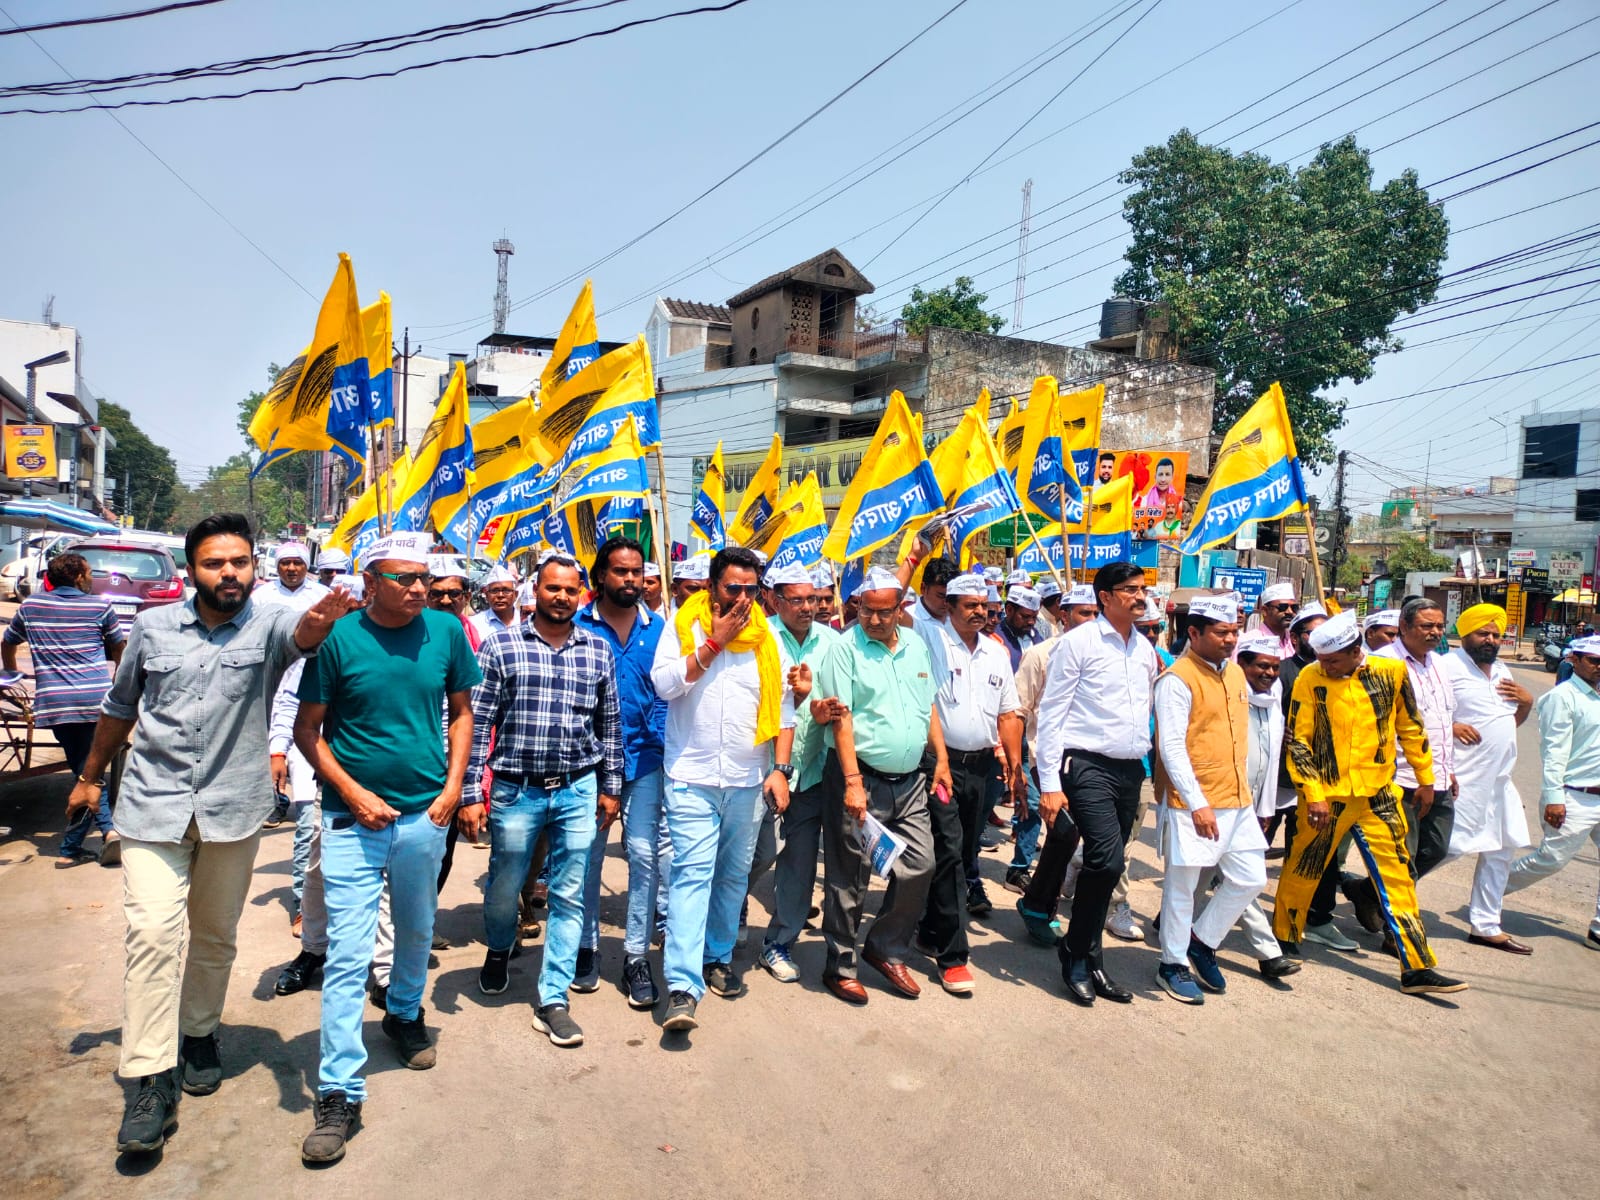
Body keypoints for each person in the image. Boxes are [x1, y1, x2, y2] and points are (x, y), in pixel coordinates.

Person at [62, 514, 352, 1156]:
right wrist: (88, 778)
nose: (229, 573)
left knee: (216, 936)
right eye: (216, 563)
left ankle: (198, 1034)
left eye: (240, 562)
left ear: (254, 567)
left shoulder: (270, 624)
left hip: (233, 810)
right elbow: (119, 706)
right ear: (191, 569)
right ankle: (150, 1078)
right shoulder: (152, 627)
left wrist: (323, 619)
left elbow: (303, 634)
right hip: (152, 806)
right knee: (152, 936)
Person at [293, 533, 480, 1164]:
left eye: (425, 577)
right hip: (352, 821)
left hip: (426, 815)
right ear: (371, 582)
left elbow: (461, 712)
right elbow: (308, 729)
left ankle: (403, 1013)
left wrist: (453, 790)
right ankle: (340, 1091)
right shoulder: (339, 639)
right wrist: (353, 793)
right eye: (405, 578)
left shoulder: (446, 633)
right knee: (348, 955)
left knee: (417, 928)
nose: (421, 588)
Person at [467, 552, 623, 1048]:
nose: (561, 597)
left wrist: (611, 787)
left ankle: (553, 997)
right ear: (535, 590)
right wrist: (470, 792)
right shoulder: (501, 646)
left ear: (581, 595)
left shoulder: (597, 650)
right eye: (553, 588)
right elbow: (478, 724)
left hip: (578, 788)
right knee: (505, 883)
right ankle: (499, 947)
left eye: (571, 590)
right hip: (516, 790)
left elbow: (610, 725)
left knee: (569, 893)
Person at [1273, 611, 1467, 996]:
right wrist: (1314, 794)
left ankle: (1417, 967)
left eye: (1332, 660)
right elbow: (1298, 741)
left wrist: (1426, 779)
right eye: (1321, 659)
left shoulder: (1390, 674)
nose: (1325, 666)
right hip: (1327, 797)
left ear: (1355, 651)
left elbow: (1410, 727)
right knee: (1304, 867)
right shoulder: (1311, 678)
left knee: (1399, 877)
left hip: (1379, 794)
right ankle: (1284, 936)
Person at [650, 546, 796, 1034]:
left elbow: (784, 710)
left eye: (752, 589)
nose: (743, 598)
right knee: (691, 876)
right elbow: (665, 685)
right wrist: (714, 643)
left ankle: (717, 957)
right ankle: (682, 986)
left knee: (733, 877)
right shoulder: (684, 625)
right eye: (734, 588)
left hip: (748, 779)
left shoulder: (767, 638)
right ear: (713, 586)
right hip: (691, 777)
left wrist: (779, 769)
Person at [806, 567, 942, 1002]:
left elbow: (927, 705)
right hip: (858, 775)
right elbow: (841, 719)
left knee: (920, 864)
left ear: (901, 609)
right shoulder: (844, 649)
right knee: (849, 876)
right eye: (867, 611)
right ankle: (840, 965)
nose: (875, 620)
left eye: (885, 612)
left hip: (910, 781)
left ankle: (884, 947)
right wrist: (852, 782)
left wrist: (939, 759)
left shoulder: (916, 646)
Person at [1035, 561, 1161, 1006]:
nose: (1140, 596)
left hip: (1130, 769)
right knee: (1105, 862)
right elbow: (1051, 713)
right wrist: (1049, 783)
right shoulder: (1078, 643)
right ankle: (1075, 953)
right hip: (1086, 764)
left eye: (1142, 588)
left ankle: (1091, 957)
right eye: (1130, 589)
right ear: (1105, 597)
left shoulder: (1143, 648)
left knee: (1110, 865)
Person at [1151, 595, 1268, 1003]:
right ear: (1194, 633)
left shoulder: (1235, 674)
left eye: (1234, 631)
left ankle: (1202, 941)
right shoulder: (1176, 680)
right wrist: (1196, 802)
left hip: (1236, 797)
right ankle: (1172, 964)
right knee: (1182, 887)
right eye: (1221, 633)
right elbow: (1171, 747)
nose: (1230, 639)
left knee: (1251, 877)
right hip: (1193, 801)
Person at [573, 537, 668, 1008]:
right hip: (590, 764)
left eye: (637, 572)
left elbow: (669, 692)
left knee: (645, 856)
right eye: (621, 571)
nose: (631, 580)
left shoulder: (660, 629)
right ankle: (585, 947)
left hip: (646, 761)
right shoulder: (577, 627)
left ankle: (635, 956)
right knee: (586, 857)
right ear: (600, 577)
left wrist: (663, 739)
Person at [917, 572, 1021, 994]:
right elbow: (927, 705)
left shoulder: (996, 653)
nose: (980, 612)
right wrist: (915, 557)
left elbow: (1009, 712)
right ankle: (953, 957)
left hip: (982, 767)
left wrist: (1014, 764)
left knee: (962, 851)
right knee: (949, 854)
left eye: (985, 605)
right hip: (940, 766)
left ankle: (929, 928)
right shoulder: (929, 640)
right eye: (971, 605)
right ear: (949, 606)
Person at [1345, 598, 1458, 951]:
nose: (1435, 632)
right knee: (1400, 858)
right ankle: (1399, 935)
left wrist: (1448, 770)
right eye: (1427, 626)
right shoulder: (1381, 663)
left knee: (1436, 848)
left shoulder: (1440, 664)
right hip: (1398, 779)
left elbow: (1442, 722)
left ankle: (1366, 891)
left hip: (1436, 778)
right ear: (1405, 627)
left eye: (1439, 626)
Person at [3, 551, 126, 867]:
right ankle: (92, 839)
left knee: (86, 769)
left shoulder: (30, 607)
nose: (92, 578)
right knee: (89, 771)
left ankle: (92, 839)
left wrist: (12, 672)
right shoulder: (100, 606)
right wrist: (121, 682)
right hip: (96, 700)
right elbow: (119, 649)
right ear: (79, 576)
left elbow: (8, 643)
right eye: (89, 573)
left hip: (57, 702)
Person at [751, 562, 839, 984]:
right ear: (774, 599)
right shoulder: (759, 636)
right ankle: (724, 914)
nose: (808, 607)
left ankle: (779, 941)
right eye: (798, 599)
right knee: (755, 856)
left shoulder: (833, 642)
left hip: (812, 771)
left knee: (799, 866)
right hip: (760, 771)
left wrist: (821, 707)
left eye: (814, 599)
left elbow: (842, 697)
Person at [1434, 605, 1534, 953]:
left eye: (1495, 634)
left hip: (1501, 779)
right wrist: (1450, 726)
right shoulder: (1446, 666)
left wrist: (1526, 704)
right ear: (1465, 634)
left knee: (1501, 849)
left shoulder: (1502, 670)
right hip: (1465, 776)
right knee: (1449, 847)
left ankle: (1486, 925)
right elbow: (1420, 712)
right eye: (1482, 633)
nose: (1490, 639)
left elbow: (1505, 724)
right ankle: (1378, 893)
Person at [1014, 583, 1100, 942]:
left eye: (1096, 613)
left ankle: (1048, 902)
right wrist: (1014, 764)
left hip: (1089, 759)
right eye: (1084, 613)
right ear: (1064, 615)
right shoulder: (1040, 655)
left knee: (1078, 835)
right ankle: (1037, 904)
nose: (1092, 620)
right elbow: (1018, 709)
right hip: (1046, 757)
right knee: (1063, 830)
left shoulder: (1105, 654)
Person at [1503, 632, 1600, 951]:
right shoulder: (1563, 697)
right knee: (1552, 860)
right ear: (1574, 660)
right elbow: (1554, 752)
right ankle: (1491, 888)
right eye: (1593, 660)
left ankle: (1598, 929)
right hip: (1573, 795)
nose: (1599, 666)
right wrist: (1555, 798)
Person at [996, 584, 1044, 671]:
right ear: (1009, 610)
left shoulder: (1037, 638)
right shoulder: (995, 638)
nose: (1031, 622)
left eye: (1034, 617)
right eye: (1025, 616)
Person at [469, 565, 520, 644]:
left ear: (515, 594)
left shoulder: (524, 621)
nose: (500, 595)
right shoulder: (475, 624)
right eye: (494, 591)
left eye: (506, 591)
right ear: (486, 595)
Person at [1246, 582, 1297, 660]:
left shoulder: (1295, 642)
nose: (1290, 612)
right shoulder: (1249, 641)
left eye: (1294, 607)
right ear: (1265, 611)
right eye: (1283, 607)